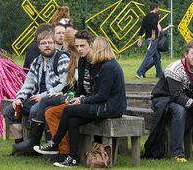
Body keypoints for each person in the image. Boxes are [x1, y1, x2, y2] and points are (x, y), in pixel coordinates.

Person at [34, 37, 127, 168]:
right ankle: (72, 158)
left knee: (68, 110)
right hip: (101, 106)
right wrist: (79, 98)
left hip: (109, 108)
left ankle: (54, 143)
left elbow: (102, 96)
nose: (91, 51)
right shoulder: (104, 65)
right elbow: (94, 92)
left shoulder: (109, 67)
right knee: (73, 121)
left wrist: (82, 100)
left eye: (93, 48)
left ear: (99, 49)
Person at [144, 39, 193, 163]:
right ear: (186, 54)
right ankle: (178, 154)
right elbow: (177, 96)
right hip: (164, 98)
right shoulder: (174, 69)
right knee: (180, 111)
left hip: (186, 98)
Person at [11, 29, 81, 156]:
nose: (47, 45)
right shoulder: (37, 62)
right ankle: (21, 147)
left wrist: (43, 95)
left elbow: (64, 84)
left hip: (52, 97)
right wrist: (19, 98)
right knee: (11, 110)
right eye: (44, 43)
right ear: (38, 46)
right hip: (37, 97)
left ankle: (35, 145)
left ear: (54, 44)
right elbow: (28, 84)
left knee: (36, 110)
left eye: (50, 42)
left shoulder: (61, 58)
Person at [43, 31, 96, 162]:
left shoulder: (98, 63)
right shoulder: (81, 60)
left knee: (64, 111)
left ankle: (61, 149)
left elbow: (100, 93)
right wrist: (71, 97)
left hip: (92, 103)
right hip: (81, 99)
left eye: (82, 46)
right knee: (50, 111)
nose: (79, 49)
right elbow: (80, 87)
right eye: (77, 46)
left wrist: (79, 99)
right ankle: (64, 151)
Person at [136, 3, 164, 79]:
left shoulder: (146, 17)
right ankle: (139, 72)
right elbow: (153, 24)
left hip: (147, 39)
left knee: (156, 58)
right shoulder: (155, 16)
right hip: (153, 40)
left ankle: (160, 74)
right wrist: (153, 34)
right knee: (148, 56)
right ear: (155, 8)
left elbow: (142, 29)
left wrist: (140, 39)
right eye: (158, 8)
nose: (158, 10)